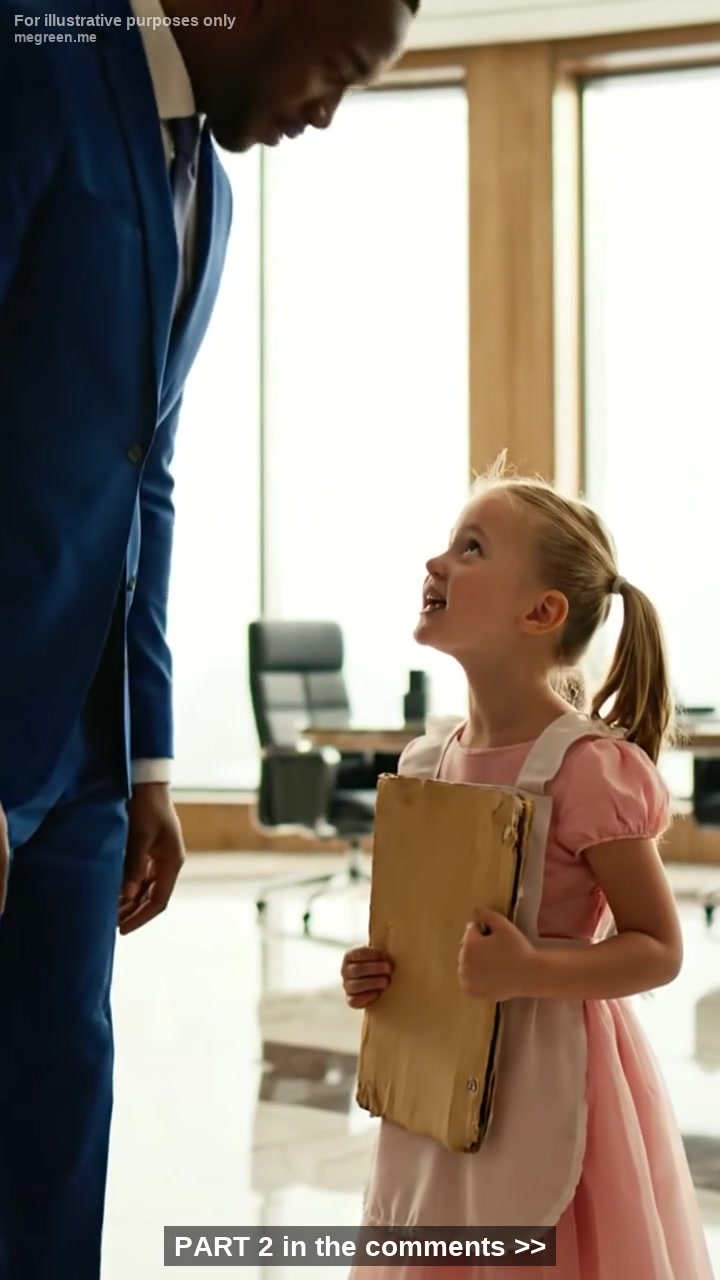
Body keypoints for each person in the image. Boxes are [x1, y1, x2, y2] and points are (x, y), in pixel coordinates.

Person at [0, 0, 417, 1276]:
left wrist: (152, 768)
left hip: (83, 750)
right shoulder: (37, 56)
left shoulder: (214, 198)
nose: (326, 111)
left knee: (60, 1087)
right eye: (335, 70)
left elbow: (149, 477)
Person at [341, 458, 713, 1279]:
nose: (436, 564)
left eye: (470, 549)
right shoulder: (427, 763)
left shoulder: (588, 771)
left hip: (552, 1081)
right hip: (438, 1087)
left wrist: (532, 967)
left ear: (540, 611)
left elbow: (658, 946)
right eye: (447, 545)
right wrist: (379, 973)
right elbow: (423, 933)